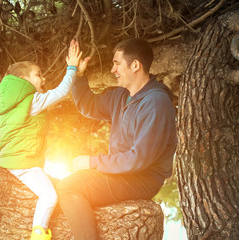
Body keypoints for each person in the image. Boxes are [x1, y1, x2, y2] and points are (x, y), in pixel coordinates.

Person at [56, 38, 177, 240]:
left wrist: (92, 162)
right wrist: (78, 75)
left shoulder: (156, 102)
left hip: (142, 179)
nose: (113, 69)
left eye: (117, 63)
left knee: (69, 187)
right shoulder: (121, 96)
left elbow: (138, 159)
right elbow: (89, 105)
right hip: (121, 173)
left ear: (135, 65)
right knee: (60, 185)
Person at [0, 41, 82, 240]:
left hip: (9, 166)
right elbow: (61, 92)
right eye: (38, 75)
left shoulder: (4, 112)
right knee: (50, 196)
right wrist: (72, 67)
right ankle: (38, 234)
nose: (44, 78)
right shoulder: (32, 101)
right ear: (22, 80)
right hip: (26, 167)